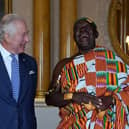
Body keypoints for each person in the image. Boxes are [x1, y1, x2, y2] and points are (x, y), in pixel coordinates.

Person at [46, 17, 129, 129]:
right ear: (74, 36)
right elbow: (50, 98)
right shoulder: (64, 65)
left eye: (87, 28)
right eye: (78, 29)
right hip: (74, 124)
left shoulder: (114, 62)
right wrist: (73, 96)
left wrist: (112, 99)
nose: (82, 31)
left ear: (96, 34)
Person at [0, 14, 37, 129]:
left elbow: (28, 103)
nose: (27, 39)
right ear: (7, 36)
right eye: (23, 35)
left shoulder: (31, 63)